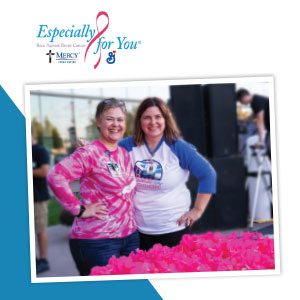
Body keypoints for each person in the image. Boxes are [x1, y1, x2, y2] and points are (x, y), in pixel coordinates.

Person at [47, 99, 139, 276]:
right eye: (109, 119)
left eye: (120, 120)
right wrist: (79, 209)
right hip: (98, 242)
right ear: (98, 121)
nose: (115, 124)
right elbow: (55, 176)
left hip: (129, 238)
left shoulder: (123, 154)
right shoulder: (88, 153)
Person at [119, 97, 217, 251]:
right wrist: (88, 149)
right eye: (147, 117)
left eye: (158, 117)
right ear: (139, 121)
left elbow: (208, 175)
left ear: (165, 119)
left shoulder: (178, 147)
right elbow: (104, 155)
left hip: (174, 228)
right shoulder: (127, 146)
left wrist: (197, 210)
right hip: (138, 231)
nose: (153, 122)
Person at [32, 129, 50, 273]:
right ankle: (34, 259)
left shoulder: (40, 150)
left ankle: (43, 260)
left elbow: (45, 171)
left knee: (40, 229)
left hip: (38, 198)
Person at [236, 88, 271, 159]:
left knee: (270, 149)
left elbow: (260, 121)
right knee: (269, 149)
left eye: (240, 101)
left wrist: (260, 141)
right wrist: (244, 120)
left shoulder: (256, 101)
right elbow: (255, 115)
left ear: (243, 96)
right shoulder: (255, 101)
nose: (241, 103)